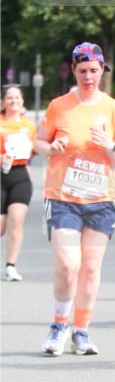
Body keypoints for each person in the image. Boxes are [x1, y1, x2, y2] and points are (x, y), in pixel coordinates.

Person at [35, 43, 115, 356]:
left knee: (90, 269)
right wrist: (52, 148)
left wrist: (108, 145)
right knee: (68, 265)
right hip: (63, 197)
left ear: (102, 71)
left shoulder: (113, 109)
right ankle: (59, 325)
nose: (89, 76)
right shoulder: (59, 106)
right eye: (83, 70)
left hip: (100, 200)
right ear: (74, 71)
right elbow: (39, 143)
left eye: (94, 70)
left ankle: (82, 331)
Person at [1, 85, 37, 281]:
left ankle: (11, 266)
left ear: (22, 101)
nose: (13, 100)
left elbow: (35, 149)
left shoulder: (29, 126)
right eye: (9, 97)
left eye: (17, 97)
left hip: (20, 176)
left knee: (16, 220)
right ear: (3, 102)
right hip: (0, 175)